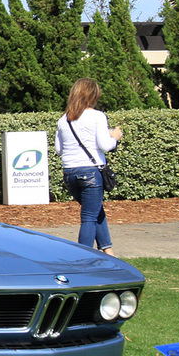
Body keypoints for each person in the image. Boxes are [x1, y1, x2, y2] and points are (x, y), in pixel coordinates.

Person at [54, 78, 122, 255]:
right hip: (91, 173)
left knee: (95, 210)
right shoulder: (98, 116)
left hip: (69, 173)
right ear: (93, 95)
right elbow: (105, 145)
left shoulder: (64, 119)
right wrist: (114, 136)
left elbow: (59, 149)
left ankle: (108, 251)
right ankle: (83, 258)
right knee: (89, 217)